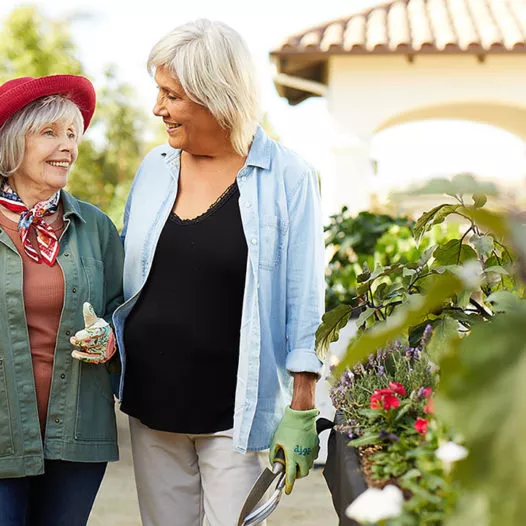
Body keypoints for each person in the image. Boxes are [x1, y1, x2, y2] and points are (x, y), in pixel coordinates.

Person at [113, 18, 325, 526]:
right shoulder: (155, 167)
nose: (157, 107)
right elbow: (129, 272)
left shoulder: (287, 177)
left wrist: (302, 406)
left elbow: (305, 297)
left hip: (236, 414)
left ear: (215, 95)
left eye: (171, 94)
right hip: (151, 403)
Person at [0, 74, 124, 526]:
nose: (67, 145)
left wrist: (111, 340)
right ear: (13, 142)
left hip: (77, 433)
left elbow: (125, 313)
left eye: (72, 134)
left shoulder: (96, 228)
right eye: (50, 132)